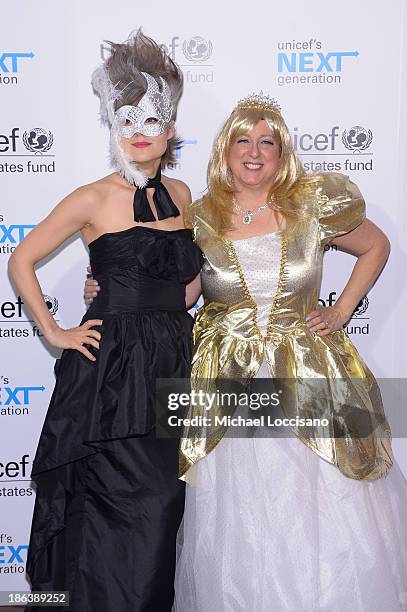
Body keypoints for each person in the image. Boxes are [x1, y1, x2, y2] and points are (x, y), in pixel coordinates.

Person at [172, 94, 407, 610]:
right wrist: (110, 288)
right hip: (231, 386)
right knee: (242, 510)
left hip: (310, 372)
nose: (254, 153)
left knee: (322, 501)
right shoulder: (199, 219)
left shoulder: (311, 204)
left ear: (281, 154)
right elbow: (185, 294)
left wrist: (342, 310)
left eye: (267, 142)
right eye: (243, 140)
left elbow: (376, 246)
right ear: (224, 150)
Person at [8, 30, 202, 612]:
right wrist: (56, 331)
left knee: (166, 505)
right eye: (128, 119)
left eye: (153, 120)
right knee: (109, 501)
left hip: (172, 360)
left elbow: (185, 282)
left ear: (169, 129)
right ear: (112, 125)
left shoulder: (186, 193)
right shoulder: (91, 197)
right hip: (110, 366)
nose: (141, 132)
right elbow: (20, 259)